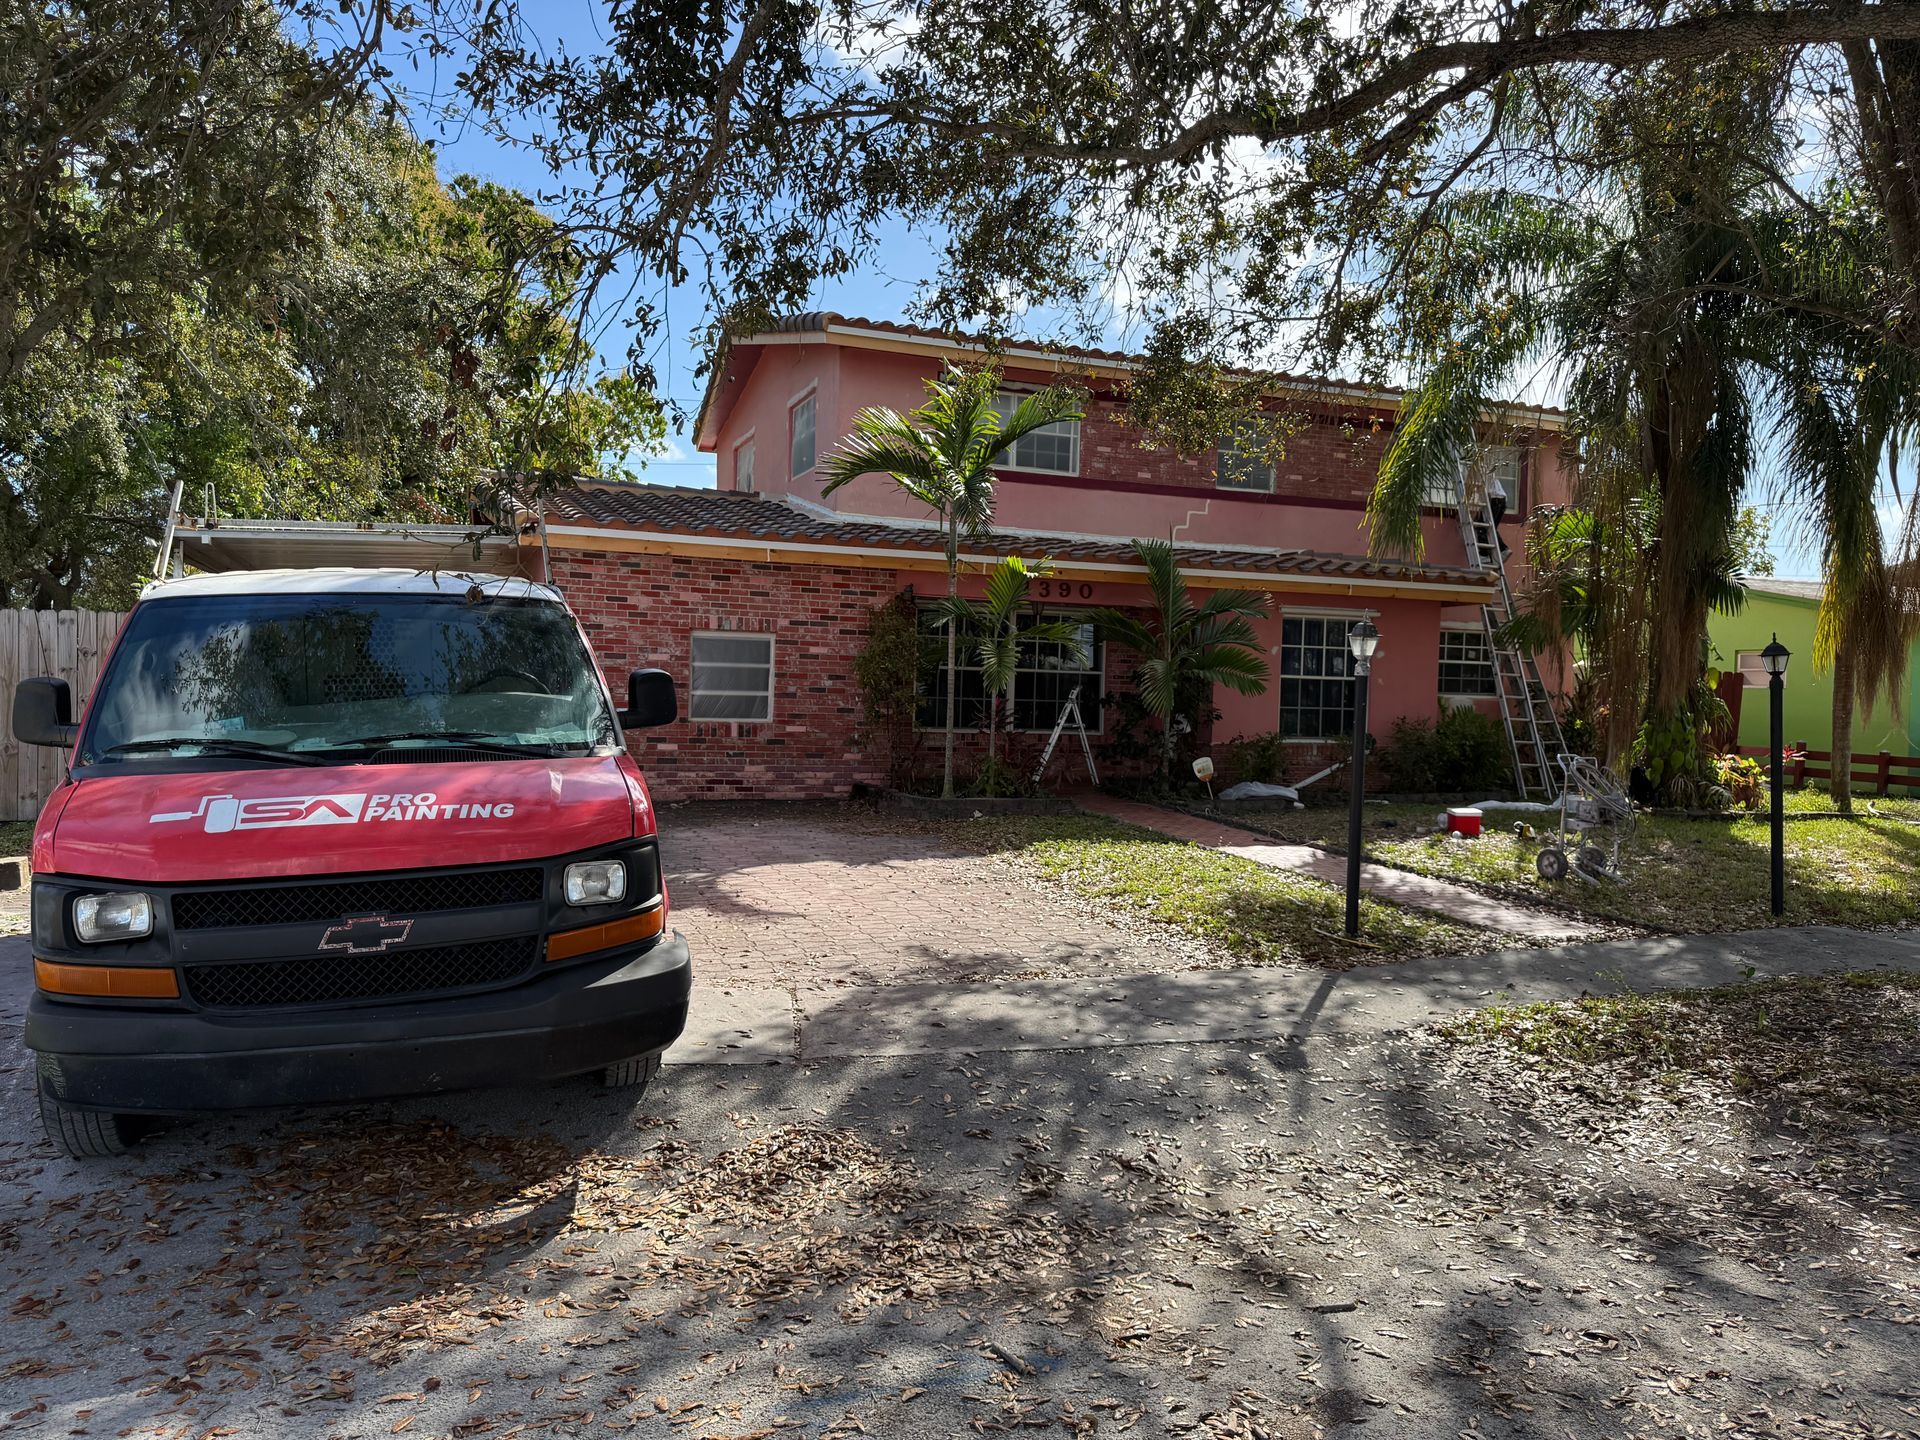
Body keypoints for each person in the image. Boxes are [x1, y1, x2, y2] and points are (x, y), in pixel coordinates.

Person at [1487, 471, 1510, 555]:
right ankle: (1503, 550)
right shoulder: (1487, 467)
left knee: (1486, 528)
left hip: (1495, 500)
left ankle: (1484, 554)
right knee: (1491, 528)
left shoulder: (1477, 470)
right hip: (1502, 500)